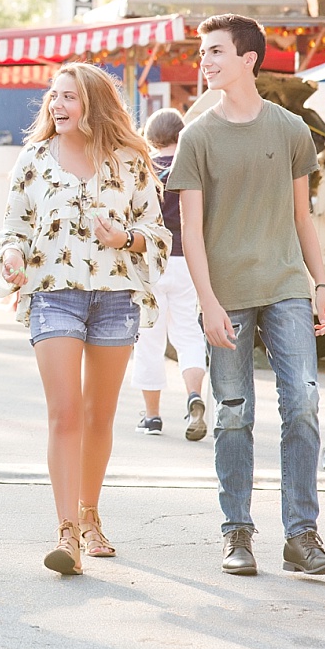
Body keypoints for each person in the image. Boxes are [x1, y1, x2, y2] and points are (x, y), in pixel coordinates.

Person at [168, 13, 325, 577]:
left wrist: (321, 283)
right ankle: (237, 533)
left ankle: (301, 535)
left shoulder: (290, 129)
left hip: (287, 284)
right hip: (227, 294)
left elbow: (302, 216)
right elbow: (190, 233)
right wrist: (208, 303)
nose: (206, 62)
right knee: (234, 415)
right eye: (203, 54)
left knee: (305, 403)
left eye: (216, 51)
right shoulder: (196, 137)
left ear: (248, 59)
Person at [0, 63, 169, 576]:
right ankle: (66, 529)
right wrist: (11, 257)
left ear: (92, 102)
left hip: (116, 296)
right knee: (64, 413)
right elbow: (12, 229)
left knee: (99, 415)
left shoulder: (132, 161)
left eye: (68, 96)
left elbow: (156, 233)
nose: (56, 104)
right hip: (54, 295)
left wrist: (125, 239)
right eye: (53, 96)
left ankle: (91, 515)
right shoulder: (33, 160)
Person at [130, 108, 208, 440]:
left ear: (150, 140)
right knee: (189, 333)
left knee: (150, 338)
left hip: (151, 262)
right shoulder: (192, 168)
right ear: (181, 136)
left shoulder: (143, 171)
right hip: (188, 262)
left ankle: (152, 416)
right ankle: (194, 396)